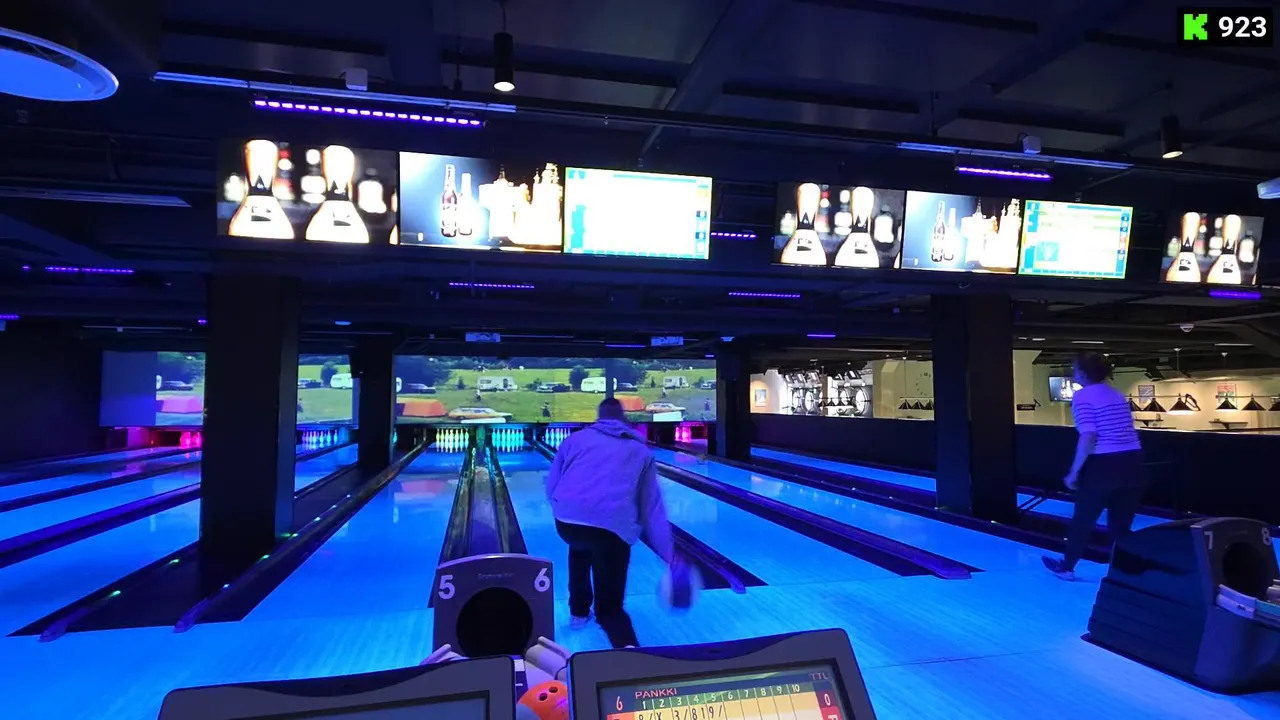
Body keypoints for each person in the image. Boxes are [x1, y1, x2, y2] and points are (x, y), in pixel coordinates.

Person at [545, 398, 674, 647]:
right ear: (623, 419)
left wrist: (565, 508)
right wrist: (669, 555)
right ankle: (629, 655)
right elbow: (652, 508)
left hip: (567, 524)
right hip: (610, 529)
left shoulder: (574, 440)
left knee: (580, 545)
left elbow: (552, 487)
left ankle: (578, 613)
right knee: (610, 609)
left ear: (599, 417)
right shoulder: (640, 451)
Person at [1043, 353, 1147, 581]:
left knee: (1084, 519)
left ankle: (1067, 568)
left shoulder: (1082, 396)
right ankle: (1123, 572)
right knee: (1121, 525)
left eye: (1074, 369)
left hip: (1104, 464)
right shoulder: (1116, 394)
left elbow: (1089, 436)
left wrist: (1074, 472)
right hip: (1134, 462)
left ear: (1083, 373)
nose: (1073, 373)